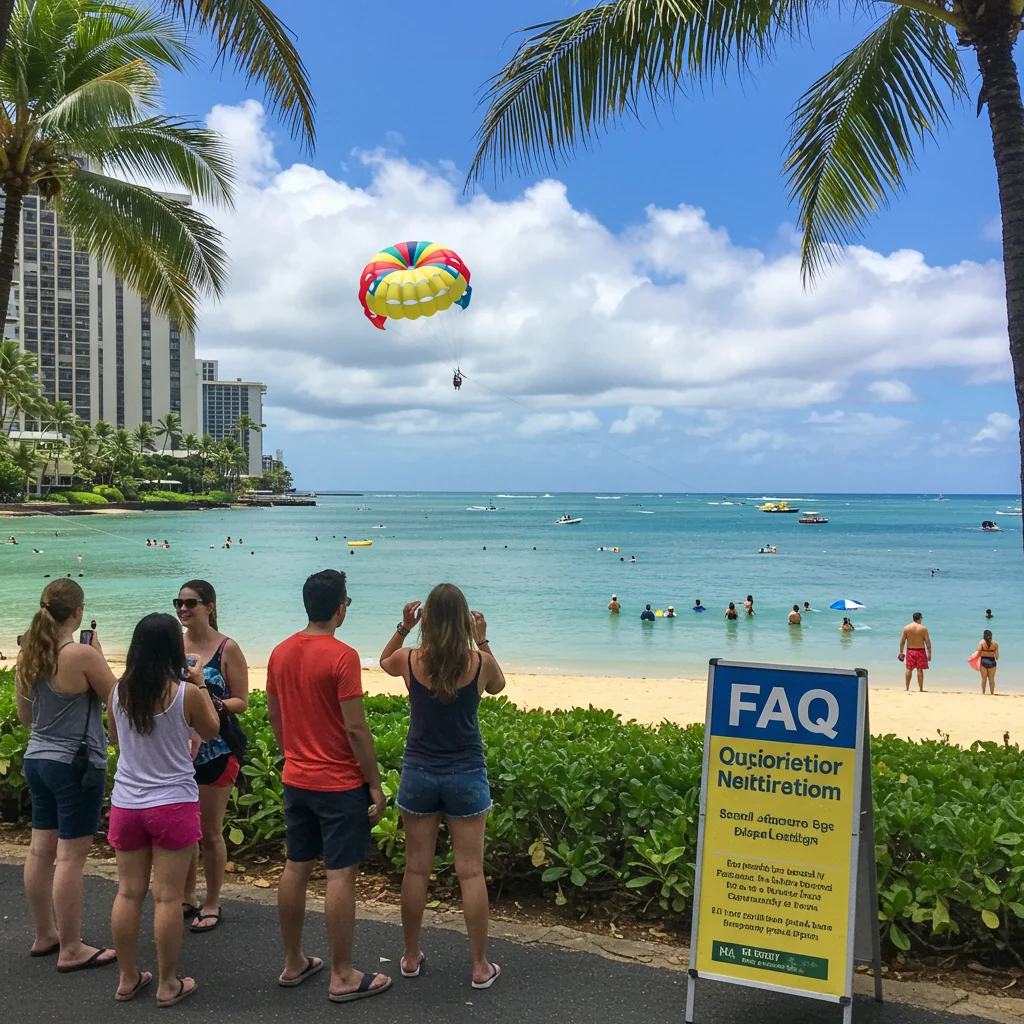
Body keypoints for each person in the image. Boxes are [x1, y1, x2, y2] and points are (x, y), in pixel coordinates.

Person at [266, 570, 390, 1003]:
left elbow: (275, 717)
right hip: (337, 781)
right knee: (340, 874)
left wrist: (292, 754)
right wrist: (374, 784)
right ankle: (342, 974)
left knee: (296, 866)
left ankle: (293, 961)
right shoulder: (343, 656)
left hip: (296, 777)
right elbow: (356, 728)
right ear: (339, 607)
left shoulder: (280, 652)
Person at [379, 586, 506, 989]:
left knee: (416, 868)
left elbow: (384, 661)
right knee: (470, 873)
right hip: (467, 773)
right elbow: (498, 686)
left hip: (419, 772)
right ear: (466, 618)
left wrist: (403, 627)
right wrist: (482, 638)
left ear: (428, 619)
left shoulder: (410, 659)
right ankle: (479, 966)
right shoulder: (479, 661)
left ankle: (411, 955)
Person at [107, 613, 220, 1007]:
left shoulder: (119, 691)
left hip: (127, 802)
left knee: (128, 892)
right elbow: (211, 730)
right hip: (172, 801)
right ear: (175, 648)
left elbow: (116, 739)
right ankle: (168, 983)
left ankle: (126, 978)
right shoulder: (184, 693)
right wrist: (201, 682)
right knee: (168, 898)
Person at [15, 580, 119, 971]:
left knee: (40, 850)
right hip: (74, 765)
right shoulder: (79, 654)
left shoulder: (30, 653)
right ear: (77, 612)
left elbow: (26, 718)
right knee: (71, 858)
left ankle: (45, 934)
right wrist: (100, 656)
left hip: (37, 759)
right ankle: (72, 947)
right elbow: (117, 698)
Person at [176, 580, 250, 932]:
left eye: (191, 603)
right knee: (186, 831)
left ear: (210, 606)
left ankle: (213, 901)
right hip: (178, 754)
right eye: (179, 602)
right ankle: (187, 896)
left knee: (210, 831)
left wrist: (209, 700)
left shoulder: (226, 649)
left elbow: (242, 702)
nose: (183, 609)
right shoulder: (174, 645)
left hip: (217, 751)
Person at [898, 612, 932, 691]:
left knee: (908, 669)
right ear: (919, 618)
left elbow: (902, 641)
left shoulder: (906, 628)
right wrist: (929, 653)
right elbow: (927, 642)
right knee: (919, 670)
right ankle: (920, 689)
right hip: (920, 651)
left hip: (910, 650)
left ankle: (907, 688)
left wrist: (901, 652)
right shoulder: (923, 629)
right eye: (921, 618)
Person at [977, 630, 999, 694]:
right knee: (991, 679)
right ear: (991, 636)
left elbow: (978, 653)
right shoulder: (995, 644)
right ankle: (992, 693)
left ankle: (983, 693)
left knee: (984, 680)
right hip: (992, 662)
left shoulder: (981, 643)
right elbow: (997, 657)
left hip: (983, 661)